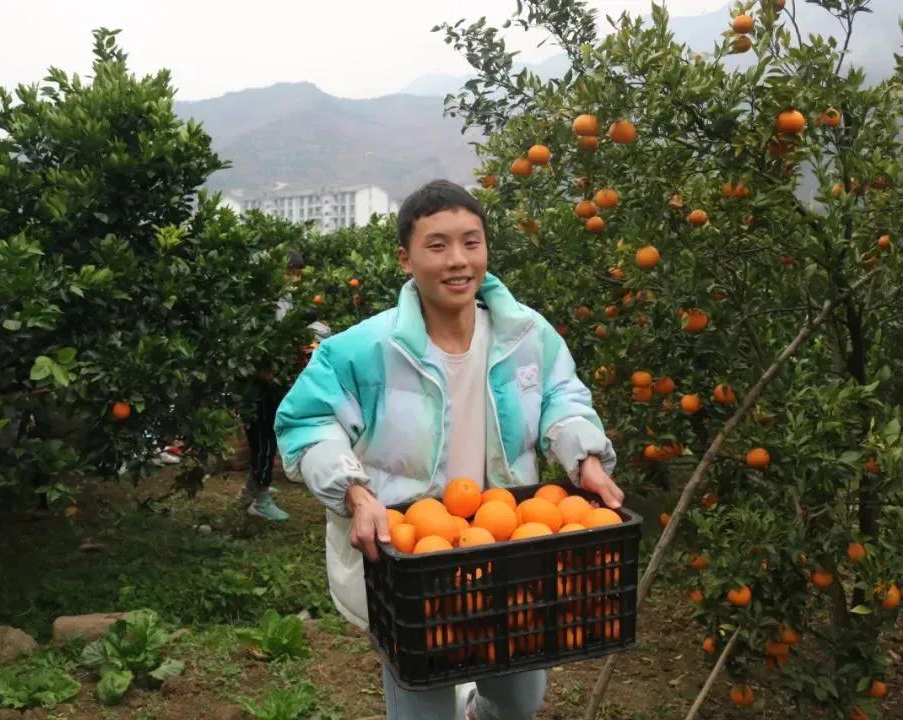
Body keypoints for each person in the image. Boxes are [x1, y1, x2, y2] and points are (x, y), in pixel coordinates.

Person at [274, 180, 622, 719]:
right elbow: (308, 422)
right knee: (423, 701)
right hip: (412, 559)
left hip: (511, 547)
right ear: (405, 259)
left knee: (518, 699)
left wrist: (587, 458)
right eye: (437, 245)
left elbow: (562, 396)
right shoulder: (365, 349)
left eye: (471, 242)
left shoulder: (525, 334)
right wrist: (355, 493)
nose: (457, 260)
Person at [241, 250, 327, 519]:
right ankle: (261, 499)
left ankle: (253, 488)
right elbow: (257, 339)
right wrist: (265, 370)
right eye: (292, 272)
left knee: (266, 436)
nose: (295, 278)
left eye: (298, 273)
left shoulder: (282, 297)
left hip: (273, 375)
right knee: (264, 437)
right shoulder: (262, 301)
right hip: (260, 380)